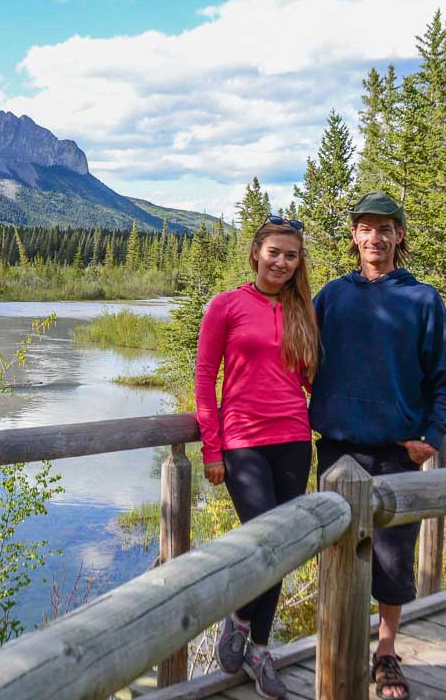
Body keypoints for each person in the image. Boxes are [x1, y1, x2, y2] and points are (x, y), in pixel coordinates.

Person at [309, 190, 446, 700]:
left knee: (395, 561)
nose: (374, 238)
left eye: (385, 229)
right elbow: (294, 355)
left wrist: (431, 438)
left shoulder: (423, 300)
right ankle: (340, 646)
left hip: (396, 454)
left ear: (399, 236)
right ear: (354, 236)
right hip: (336, 451)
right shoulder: (332, 297)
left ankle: (386, 652)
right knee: (336, 556)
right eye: (365, 228)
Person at [195, 216, 320, 700]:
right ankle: (241, 617)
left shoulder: (302, 310)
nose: (282, 263)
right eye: (275, 253)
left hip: (293, 437)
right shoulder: (226, 305)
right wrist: (211, 448)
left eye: (291, 256)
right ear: (256, 253)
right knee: (264, 539)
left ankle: (258, 646)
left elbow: (311, 379)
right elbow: (206, 378)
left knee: (283, 544)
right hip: (242, 439)